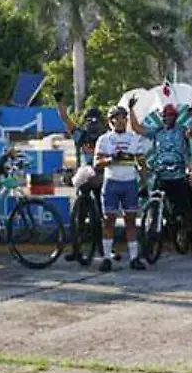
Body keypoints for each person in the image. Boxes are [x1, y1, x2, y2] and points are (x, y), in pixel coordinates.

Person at [128, 98, 192, 253]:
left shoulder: (182, 130)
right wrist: (131, 109)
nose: (166, 119)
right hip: (161, 176)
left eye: (169, 116)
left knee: (186, 213)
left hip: (179, 176)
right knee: (156, 209)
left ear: (175, 117)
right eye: (164, 116)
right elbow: (137, 128)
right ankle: (149, 246)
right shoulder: (157, 132)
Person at [94, 105, 145, 271]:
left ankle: (134, 258)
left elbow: (142, 162)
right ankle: (107, 258)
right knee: (109, 221)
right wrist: (111, 159)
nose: (120, 121)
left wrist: (145, 180)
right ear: (111, 121)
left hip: (130, 182)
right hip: (112, 182)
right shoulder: (104, 139)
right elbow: (96, 163)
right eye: (117, 118)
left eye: (123, 118)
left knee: (130, 221)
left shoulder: (134, 138)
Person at [57, 97, 107, 263]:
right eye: (89, 121)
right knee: (78, 217)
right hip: (84, 178)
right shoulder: (81, 135)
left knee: (103, 215)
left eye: (95, 121)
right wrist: (60, 102)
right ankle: (76, 250)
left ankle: (104, 249)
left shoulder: (106, 137)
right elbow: (65, 118)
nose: (92, 124)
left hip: (102, 178)